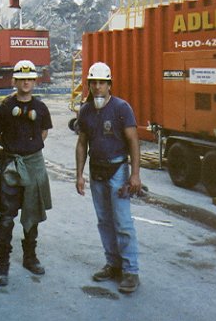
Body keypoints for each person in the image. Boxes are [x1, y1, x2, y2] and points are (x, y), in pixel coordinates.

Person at [75, 61, 142, 294]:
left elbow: (134, 141)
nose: (97, 87)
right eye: (93, 83)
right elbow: (82, 143)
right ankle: (113, 265)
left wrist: (134, 175)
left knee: (122, 222)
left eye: (101, 83)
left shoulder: (122, 108)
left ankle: (131, 271)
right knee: (104, 221)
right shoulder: (85, 111)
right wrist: (79, 175)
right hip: (97, 171)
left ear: (109, 84)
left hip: (118, 171)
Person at [0, 59, 52, 287]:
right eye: (21, 78)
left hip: (33, 165)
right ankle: (2, 265)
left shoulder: (41, 108)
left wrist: (28, 150)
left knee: (32, 213)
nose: (26, 82)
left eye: (29, 79)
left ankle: (30, 258)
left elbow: (43, 132)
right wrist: (14, 147)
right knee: (6, 216)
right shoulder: (4, 107)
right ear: (14, 81)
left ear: (34, 81)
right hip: (11, 166)